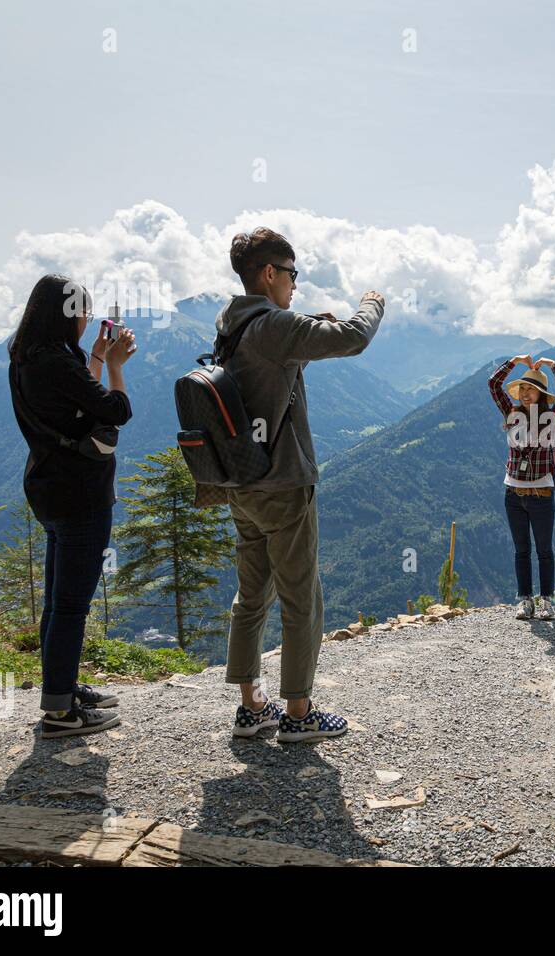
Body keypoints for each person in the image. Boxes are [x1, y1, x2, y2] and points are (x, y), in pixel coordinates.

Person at [200, 227, 384, 743]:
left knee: (250, 595)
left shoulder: (232, 323)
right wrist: (371, 304)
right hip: (282, 484)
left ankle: (251, 707)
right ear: (269, 274)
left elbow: (271, 369)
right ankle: (299, 714)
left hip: (241, 482)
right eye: (293, 274)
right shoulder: (274, 326)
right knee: (302, 598)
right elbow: (354, 338)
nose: (296, 285)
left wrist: (305, 328)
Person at [8, 274, 136, 737]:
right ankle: (60, 715)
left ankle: (58, 689)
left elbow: (76, 407)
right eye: (82, 312)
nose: (85, 320)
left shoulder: (26, 357)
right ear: (68, 314)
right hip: (81, 494)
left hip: (47, 488)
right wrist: (118, 366)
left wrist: (98, 357)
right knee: (70, 606)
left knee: (57, 602)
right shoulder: (57, 363)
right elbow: (113, 410)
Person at [488, 354, 555, 620]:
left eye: (531, 389)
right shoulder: (510, 413)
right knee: (521, 550)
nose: (525, 393)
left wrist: (553, 366)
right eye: (522, 388)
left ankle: (546, 600)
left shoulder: (552, 415)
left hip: (542, 494)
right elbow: (493, 384)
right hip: (513, 493)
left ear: (541, 393)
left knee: (544, 551)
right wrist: (514, 362)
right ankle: (525, 600)